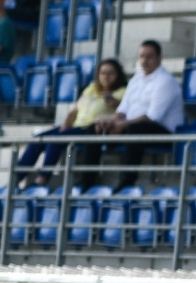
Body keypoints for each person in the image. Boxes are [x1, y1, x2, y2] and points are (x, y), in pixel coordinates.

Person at [16, 57, 124, 185]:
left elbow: (122, 110)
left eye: (111, 73)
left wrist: (115, 102)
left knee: (56, 140)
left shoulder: (122, 91)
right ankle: (17, 178)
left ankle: (42, 179)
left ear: (118, 75)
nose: (106, 76)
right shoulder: (91, 88)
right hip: (75, 126)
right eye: (103, 73)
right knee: (38, 140)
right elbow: (74, 111)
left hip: (91, 129)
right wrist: (65, 126)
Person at [93, 39, 184, 183]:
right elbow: (122, 109)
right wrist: (111, 122)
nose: (144, 60)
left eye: (149, 56)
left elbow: (152, 117)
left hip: (163, 133)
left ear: (159, 58)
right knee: (95, 129)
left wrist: (122, 125)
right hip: (133, 126)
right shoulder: (136, 79)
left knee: (135, 129)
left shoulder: (165, 81)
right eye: (141, 56)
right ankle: (88, 181)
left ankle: (127, 181)